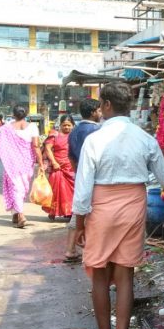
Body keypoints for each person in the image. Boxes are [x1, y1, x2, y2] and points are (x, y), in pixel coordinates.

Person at [72, 84, 164, 329]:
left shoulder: (95, 139)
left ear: (107, 105)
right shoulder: (144, 139)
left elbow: (83, 189)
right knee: (125, 276)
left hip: (100, 209)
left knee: (99, 276)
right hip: (132, 207)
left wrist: (79, 224)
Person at [0, 105, 44, 228]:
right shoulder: (32, 127)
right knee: (21, 188)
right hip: (27, 162)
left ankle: (16, 213)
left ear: (13, 114)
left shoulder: (6, 128)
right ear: (26, 114)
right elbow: (36, 146)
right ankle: (20, 215)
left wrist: (7, 153)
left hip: (12, 162)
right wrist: (41, 164)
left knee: (17, 188)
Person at [66, 99, 101, 256]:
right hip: (96, 178)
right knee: (94, 215)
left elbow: (71, 157)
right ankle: (92, 252)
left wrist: (77, 174)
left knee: (78, 212)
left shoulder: (74, 131)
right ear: (93, 112)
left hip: (80, 174)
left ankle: (70, 250)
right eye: (99, 111)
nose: (101, 113)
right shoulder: (97, 131)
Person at [43, 116, 76, 223]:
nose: (66, 127)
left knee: (71, 191)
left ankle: (69, 212)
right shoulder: (54, 135)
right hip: (57, 166)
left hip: (70, 166)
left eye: (69, 125)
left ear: (73, 125)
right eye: (64, 125)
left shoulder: (75, 136)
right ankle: (52, 212)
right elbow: (48, 148)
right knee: (55, 189)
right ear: (60, 125)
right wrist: (54, 162)